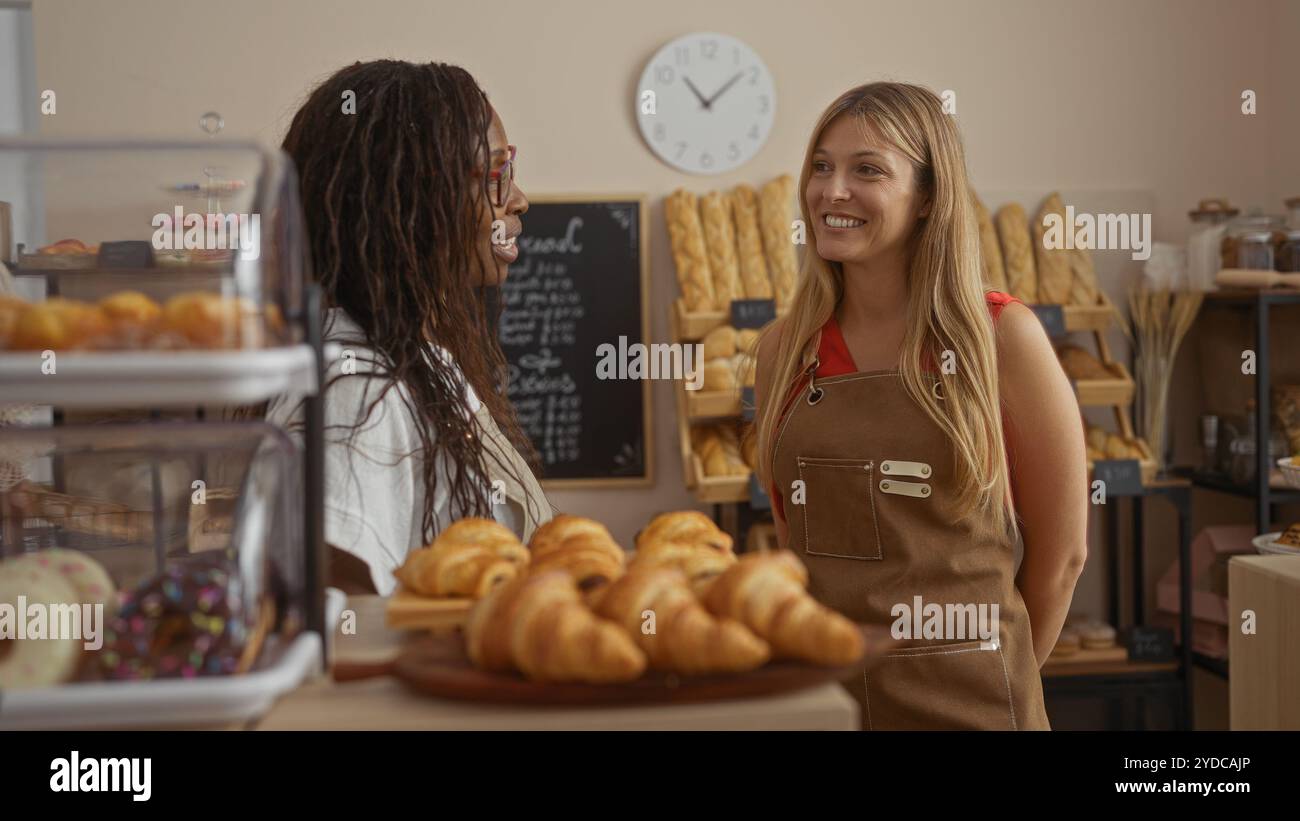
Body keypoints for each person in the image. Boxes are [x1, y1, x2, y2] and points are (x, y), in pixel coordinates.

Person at [753, 82, 1087, 729]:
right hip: (832, 705)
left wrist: (998, 670)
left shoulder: (1001, 340)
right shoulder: (784, 351)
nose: (832, 191)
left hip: (976, 706)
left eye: (866, 169)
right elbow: (795, 543)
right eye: (821, 166)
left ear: (930, 195)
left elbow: (1063, 556)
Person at [274, 60, 551, 595]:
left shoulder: (416, 354)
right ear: (405, 198)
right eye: (495, 175)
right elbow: (340, 634)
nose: (518, 199)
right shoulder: (354, 397)